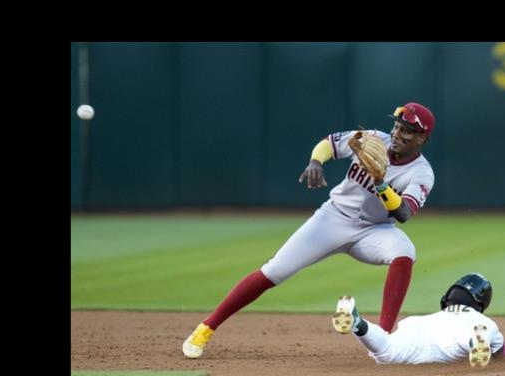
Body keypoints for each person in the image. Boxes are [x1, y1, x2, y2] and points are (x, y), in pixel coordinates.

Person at [183, 102, 437, 358]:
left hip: (375, 230)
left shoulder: (422, 173)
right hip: (333, 218)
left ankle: (381, 338)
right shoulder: (372, 139)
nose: (397, 133)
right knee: (274, 271)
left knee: (404, 251)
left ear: (422, 138)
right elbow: (330, 143)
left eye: (407, 130)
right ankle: (206, 327)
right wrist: (316, 161)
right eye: (397, 126)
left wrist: (381, 184)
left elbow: (404, 213)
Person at [332, 273, 505, 367]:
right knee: (481, 332)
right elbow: (503, 353)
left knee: (385, 349)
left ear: (447, 297)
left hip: (416, 329)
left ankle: (359, 324)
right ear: (481, 304)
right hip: (455, 344)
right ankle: (476, 341)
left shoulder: (424, 320)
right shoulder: (479, 319)